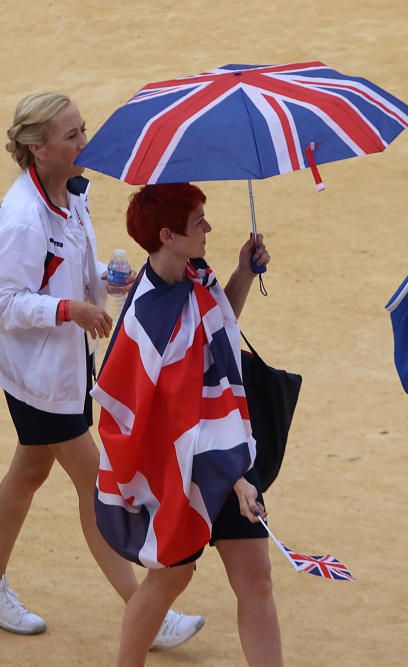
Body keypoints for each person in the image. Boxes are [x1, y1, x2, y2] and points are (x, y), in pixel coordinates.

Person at [0, 93, 204, 649]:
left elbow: (65, 268)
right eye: (71, 135)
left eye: (83, 130)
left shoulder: (72, 194)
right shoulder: (23, 217)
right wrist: (71, 309)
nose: (85, 143)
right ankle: (147, 610)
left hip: (61, 369)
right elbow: (4, 304)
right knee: (97, 484)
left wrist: (103, 279)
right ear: (36, 148)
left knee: (28, 473)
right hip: (39, 378)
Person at [92, 183, 281, 667]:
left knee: (256, 578)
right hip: (178, 471)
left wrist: (241, 271)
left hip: (225, 445)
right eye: (199, 222)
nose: (208, 229)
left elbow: (219, 326)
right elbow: (174, 426)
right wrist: (235, 478)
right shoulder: (149, 322)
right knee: (171, 579)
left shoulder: (196, 273)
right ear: (168, 234)